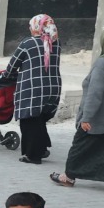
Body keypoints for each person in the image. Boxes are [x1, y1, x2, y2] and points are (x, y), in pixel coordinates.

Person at [51, 28, 104, 193]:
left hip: (99, 119)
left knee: (80, 145)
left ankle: (68, 177)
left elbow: (95, 94)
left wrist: (87, 117)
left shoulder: (103, 64)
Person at [9, 13, 62, 165]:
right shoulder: (56, 42)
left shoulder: (27, 43)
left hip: (33, 87)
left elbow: (13, 65)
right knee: (39, 119)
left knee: (29, 120)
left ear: (37, 26)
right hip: (53, 87)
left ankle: (32, 155)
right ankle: (42, 148)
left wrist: (8, 76)